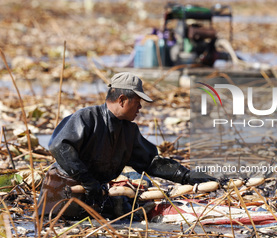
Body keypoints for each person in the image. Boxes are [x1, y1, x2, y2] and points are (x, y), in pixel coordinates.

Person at [38, 72, 216, 219]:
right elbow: (59, 146)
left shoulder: (129, 131)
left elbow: (151, 163)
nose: (140, 107)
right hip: (62, 192)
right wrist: (87, 180)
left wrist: (187, 176)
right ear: (122, 100)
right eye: (137, 102)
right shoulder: (87, 117)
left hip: (95, 193)